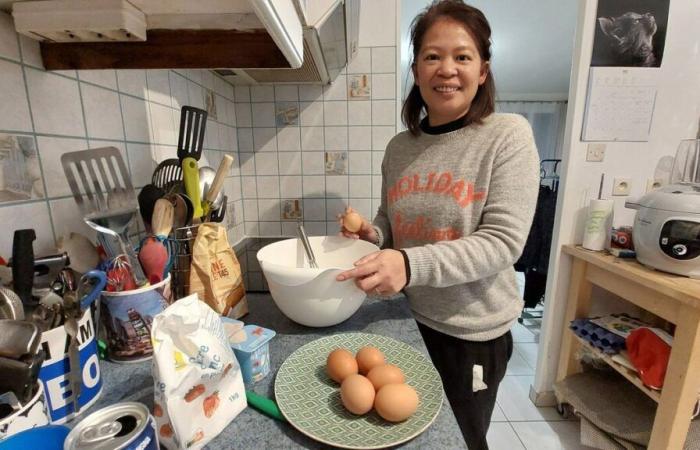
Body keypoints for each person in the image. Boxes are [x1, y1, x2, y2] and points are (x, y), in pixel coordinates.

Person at [335, 1, 540, 448]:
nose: (446, 69)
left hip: (471, 333)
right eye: (432, 56)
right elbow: (393, 222)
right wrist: (372, 234)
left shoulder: (508, 136)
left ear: (482, 70)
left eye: (462, 56)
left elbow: (503, 242)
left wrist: (406, 264)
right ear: (416, 68)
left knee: (460, 440)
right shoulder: (399, 147)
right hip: (406, 319)